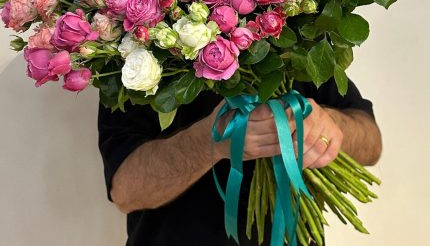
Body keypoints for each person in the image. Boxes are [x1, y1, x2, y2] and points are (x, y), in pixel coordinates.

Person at [98, 76, 382, 246]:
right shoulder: (137, 53)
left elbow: (371, 143)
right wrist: (209, 142)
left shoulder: (298, 29)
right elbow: (125, 191)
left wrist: (325, 125)